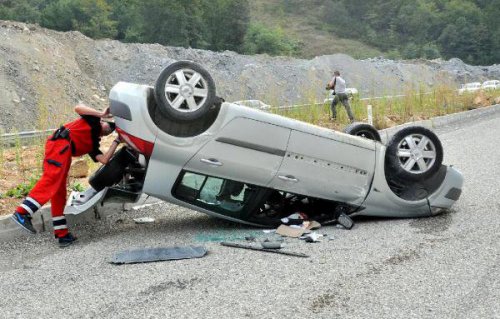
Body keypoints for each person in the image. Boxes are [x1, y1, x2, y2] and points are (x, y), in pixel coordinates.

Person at [10, 104, 121, 247]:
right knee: (51, 180)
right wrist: (101, 113)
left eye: (109, 132)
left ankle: (62, 235)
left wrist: (117, 141)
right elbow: (78, 108)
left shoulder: (93, 143)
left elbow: (104, 160)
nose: (108, 130)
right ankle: (22, 213)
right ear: (102, 122)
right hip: (59, 145)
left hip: (64, 152)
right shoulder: (92, 120)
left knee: (59, 193)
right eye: (108, 126)